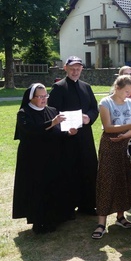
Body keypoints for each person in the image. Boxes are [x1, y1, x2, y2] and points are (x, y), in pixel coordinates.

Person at [13, 84, 77, 234]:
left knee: (54, 185)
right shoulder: (24, 113)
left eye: (45, 96)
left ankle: (56, 217)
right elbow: (31, 132)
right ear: (31, 98)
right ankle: (39, 221)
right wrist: (52, 123)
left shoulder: (52, 111)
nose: (44, 99)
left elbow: (57, 132)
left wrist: (68, 133)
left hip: (53, 156)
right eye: (40, 97)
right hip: (33, 159)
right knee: (38, 189)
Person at [92, 75, 131, 239]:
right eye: (126, 91)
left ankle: (121, 216)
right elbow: (108, 127)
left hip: (126, 144)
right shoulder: (105, 103)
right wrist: (129, 127)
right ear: (118, 88)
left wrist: (127, 134)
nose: (128, 94)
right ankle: (101, 222)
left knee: (124, 178)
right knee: (107, 180)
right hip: (110, 144)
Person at [48, 56, 99, 217]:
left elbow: (94, 108)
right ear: (65, 68)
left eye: (78, 69)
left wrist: (89, 117)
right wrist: (65, 130)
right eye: (72, 69)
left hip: (84, 136)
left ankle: (88, 205)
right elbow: (53, 111)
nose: (75, 71)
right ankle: (68, 207)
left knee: (88, 168)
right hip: (66, 138)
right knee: (69, 170)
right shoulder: (58, 87)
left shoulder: (86, 87)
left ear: (82, 69)